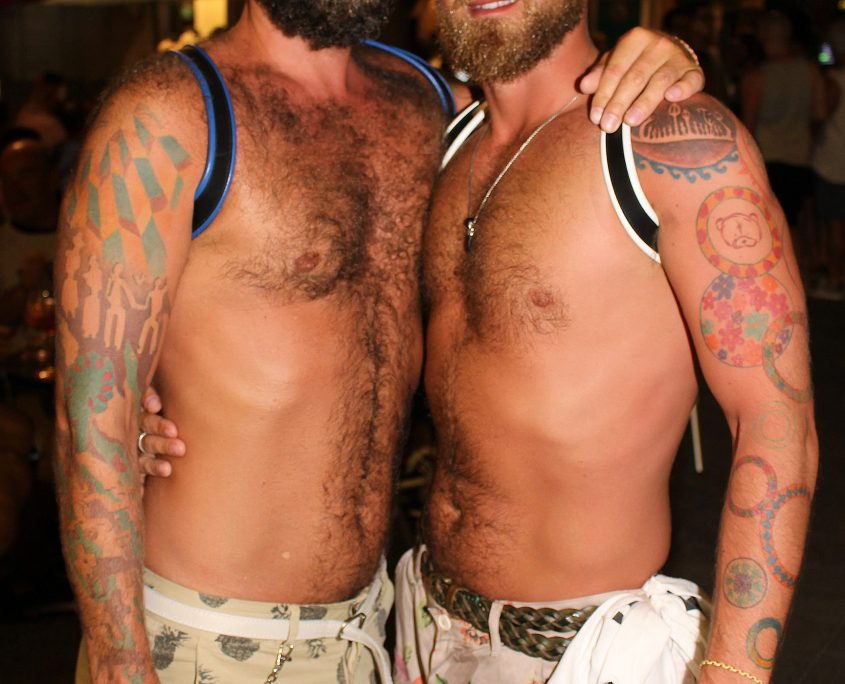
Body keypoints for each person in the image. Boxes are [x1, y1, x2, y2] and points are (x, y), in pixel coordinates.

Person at [54, 1, 703, 683]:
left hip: (372, 633)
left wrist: (662, 59)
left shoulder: (424, 102)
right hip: (199, 638)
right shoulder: (166, 115)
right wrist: (118, 656)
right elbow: (90, 417)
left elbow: (541, 91)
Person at [394, 0, 816, 682]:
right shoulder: (448, 136)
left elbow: (774, 423)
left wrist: (733, 672)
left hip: (580, 651)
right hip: (422, 622)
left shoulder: (673, 144)